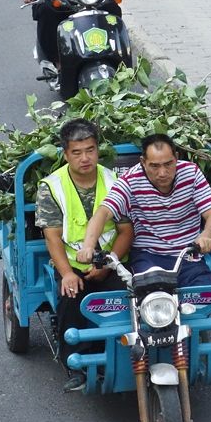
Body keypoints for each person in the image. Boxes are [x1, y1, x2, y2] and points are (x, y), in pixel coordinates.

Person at [35, 119, 133, 392]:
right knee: (71, 298)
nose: (85, 158)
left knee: (130, 298)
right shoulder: (51, 187)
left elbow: (126, 231)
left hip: (113, 262)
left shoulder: (115, 182)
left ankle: (129, 353)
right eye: (77, 153)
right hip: (73, 264)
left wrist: (108, 265)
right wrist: (66, 273)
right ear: (65, 154)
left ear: (98, 150)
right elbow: (52, 237)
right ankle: (75, 365)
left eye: (90, 150)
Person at [76, 134, 211, 287]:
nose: (162, 173)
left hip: (187, 255)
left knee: (208, 293)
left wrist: (206, 236)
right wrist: (88, 246)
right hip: (148, 257)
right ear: (143, 162)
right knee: (150, 294)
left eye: (168, 164)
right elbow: (103, 213)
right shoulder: (130, 180)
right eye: (154, 166)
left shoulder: (191, 173)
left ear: (176, 158)